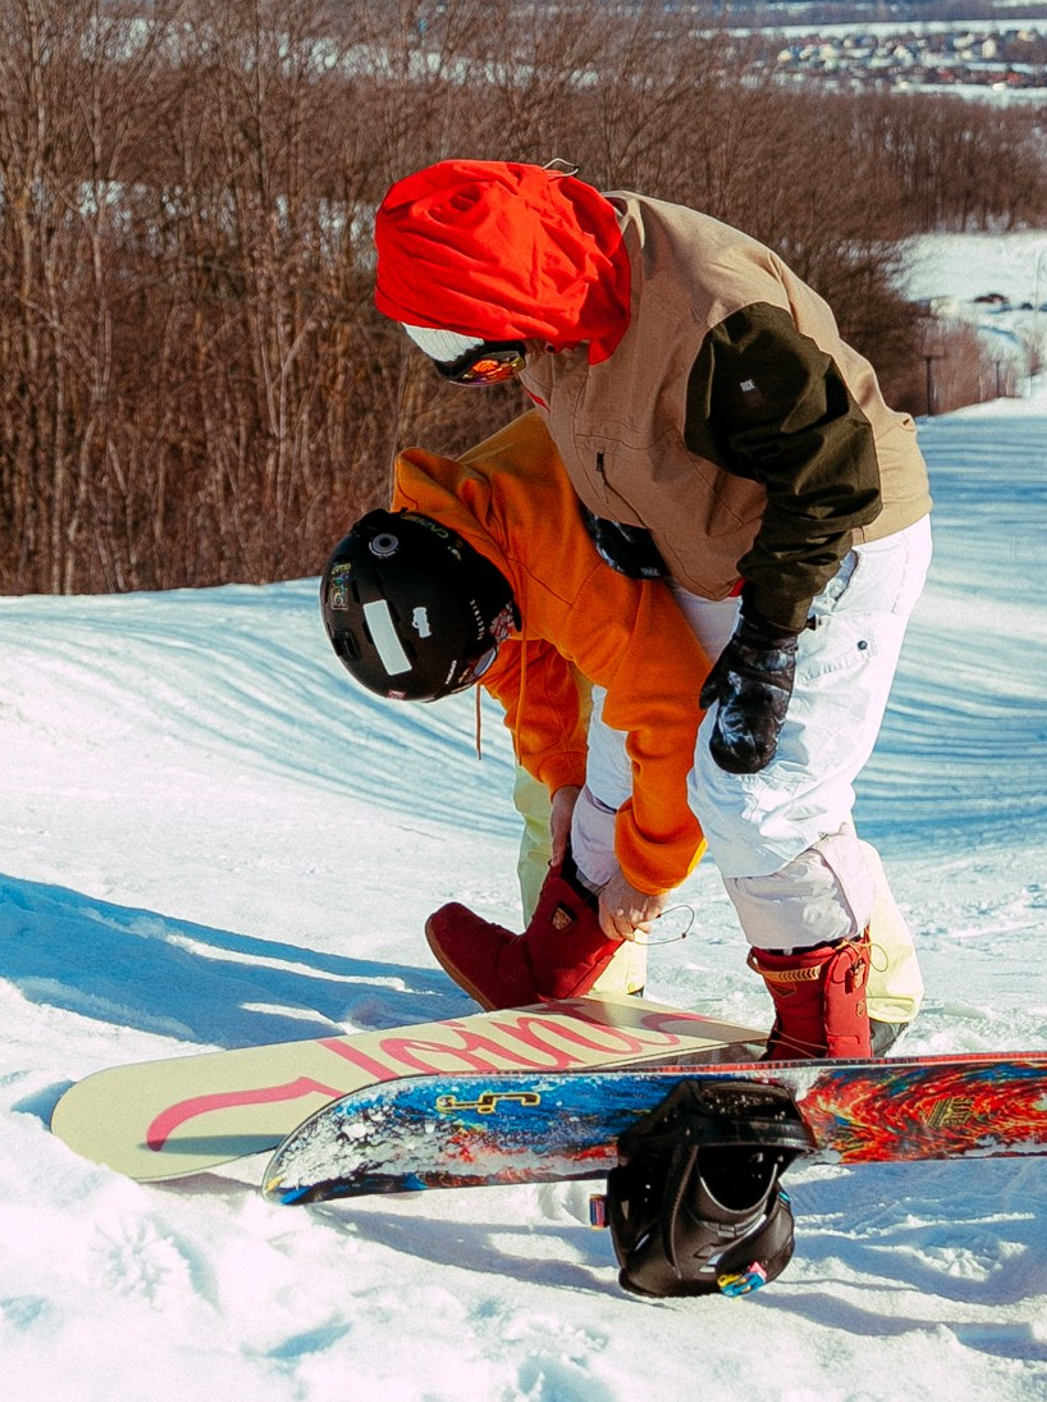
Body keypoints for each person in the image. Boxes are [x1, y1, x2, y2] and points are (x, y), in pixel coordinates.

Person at [370, 158, 933, 1058]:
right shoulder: (559, 294)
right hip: (711, 547)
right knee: (622, 750)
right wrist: (621, 514)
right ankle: (555, 964)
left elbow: (835, 480)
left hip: (829, 551)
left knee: (755, 797)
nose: (470, 372)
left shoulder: (712, 321)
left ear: (508, 291)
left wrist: (770, 640)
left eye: (464, 346)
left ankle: (827, 1033)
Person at [318, 411, 920, 1051]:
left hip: (808, 535)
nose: (493, 655)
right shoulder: (447, 535)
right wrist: (561, 778)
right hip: (689, 544)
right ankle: (561, 973)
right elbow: (518, 652)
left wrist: (647, 873)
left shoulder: (551, 567)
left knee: (765, 796)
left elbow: (672, 721)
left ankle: (847, 1017)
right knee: (611, 762)